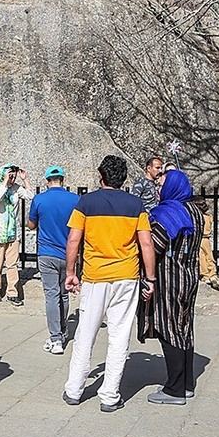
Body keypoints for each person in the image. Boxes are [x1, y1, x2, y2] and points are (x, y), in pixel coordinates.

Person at [63, 155, 156, 413]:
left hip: (95, 277)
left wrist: (71, 271)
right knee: (119, 335)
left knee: (86, 333)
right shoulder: (135, 205)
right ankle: (110, 394)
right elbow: (146, 243)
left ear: (100, 176)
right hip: (127, 275)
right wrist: (150, 278)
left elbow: (73, 241)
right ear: (123, 179)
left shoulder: (86, 203)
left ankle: (74, 389)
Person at [138, 168, 205, 405]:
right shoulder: (196, 212)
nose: (158, 189)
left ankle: (174, 389)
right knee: (185, 328)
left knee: (169, 327)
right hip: (189, 276)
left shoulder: (168, 213)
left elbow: (155, 245)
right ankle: (187, 384)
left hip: (170, 277)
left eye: (161, 185)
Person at [26, 164, 80, 354]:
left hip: (47, 253)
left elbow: (31, 225)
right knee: (64, 294)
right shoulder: (75, 200)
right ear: (63, 180)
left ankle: (55, 338)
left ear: (47, 181)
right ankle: (63, 331)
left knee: (51, 295)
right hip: (69, 253)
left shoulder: (40, 200)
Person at [0, 164, 32, 306]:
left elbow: (30, 196)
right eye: (10, 175)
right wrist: (5, 182)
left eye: (14, 176)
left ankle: (13, 292)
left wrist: (24, 180)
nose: (12, 178)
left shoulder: (16, 188)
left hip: (13, 232)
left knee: (12, 264)